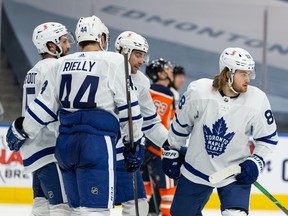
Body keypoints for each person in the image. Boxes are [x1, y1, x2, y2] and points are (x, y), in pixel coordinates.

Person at [6, 15, 144, 216]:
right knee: (95, 210)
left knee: (73, 210)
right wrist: (134, 142)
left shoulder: (60, 64)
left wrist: (22, 130)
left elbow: (43, 107)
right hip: (95, 144)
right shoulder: (115, 61)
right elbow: (129, 109)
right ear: (101, 38)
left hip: (65, 145)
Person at [162, 47, 279, 216]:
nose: (248, 79)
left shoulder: (257, 100)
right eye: (243, 74)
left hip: (234, 172)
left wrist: (256, 160)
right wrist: (172, 149)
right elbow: (180, 125)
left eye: (249, 74)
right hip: (196, 169)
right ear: (227, 74)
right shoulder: (199, 92)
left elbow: (268, 139)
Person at [19, 22, 74, 215]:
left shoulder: (33, 70)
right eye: (64, 41)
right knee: (63, 208)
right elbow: (51, 108)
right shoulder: (57, 67)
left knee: (41, 207)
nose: (68, 46)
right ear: (51, 46)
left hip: (35, 149)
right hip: (51, 148)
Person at [114, 31, 168, 216]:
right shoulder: (104, 72)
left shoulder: (142, 82)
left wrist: (170, 144)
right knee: (93, 208)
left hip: (126, 157)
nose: (142, 60)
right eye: (138, 55)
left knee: (138, 207)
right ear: (123, 51)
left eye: (144, 55)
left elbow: (151, 123)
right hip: (97, 153)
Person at [142, 58, 176, 216]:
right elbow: (166, 121)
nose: (171, 71)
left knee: (144, 189)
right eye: (167, 68)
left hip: (142, 145)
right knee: (168, 190)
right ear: (160, 74)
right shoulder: (167, 93)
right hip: (159, 145)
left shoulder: (145, 89)